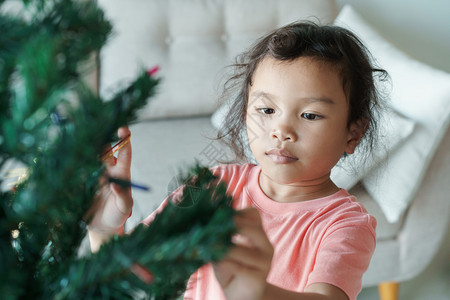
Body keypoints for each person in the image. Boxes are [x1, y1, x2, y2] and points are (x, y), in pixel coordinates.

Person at [88, 21, 388, 300]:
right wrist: (103, 228)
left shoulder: (345, 224)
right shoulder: (211, 186)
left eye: (310, 115)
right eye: (267, 110)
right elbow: (131, 274)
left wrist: (260, 292)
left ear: (352, 134)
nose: (281, 131)